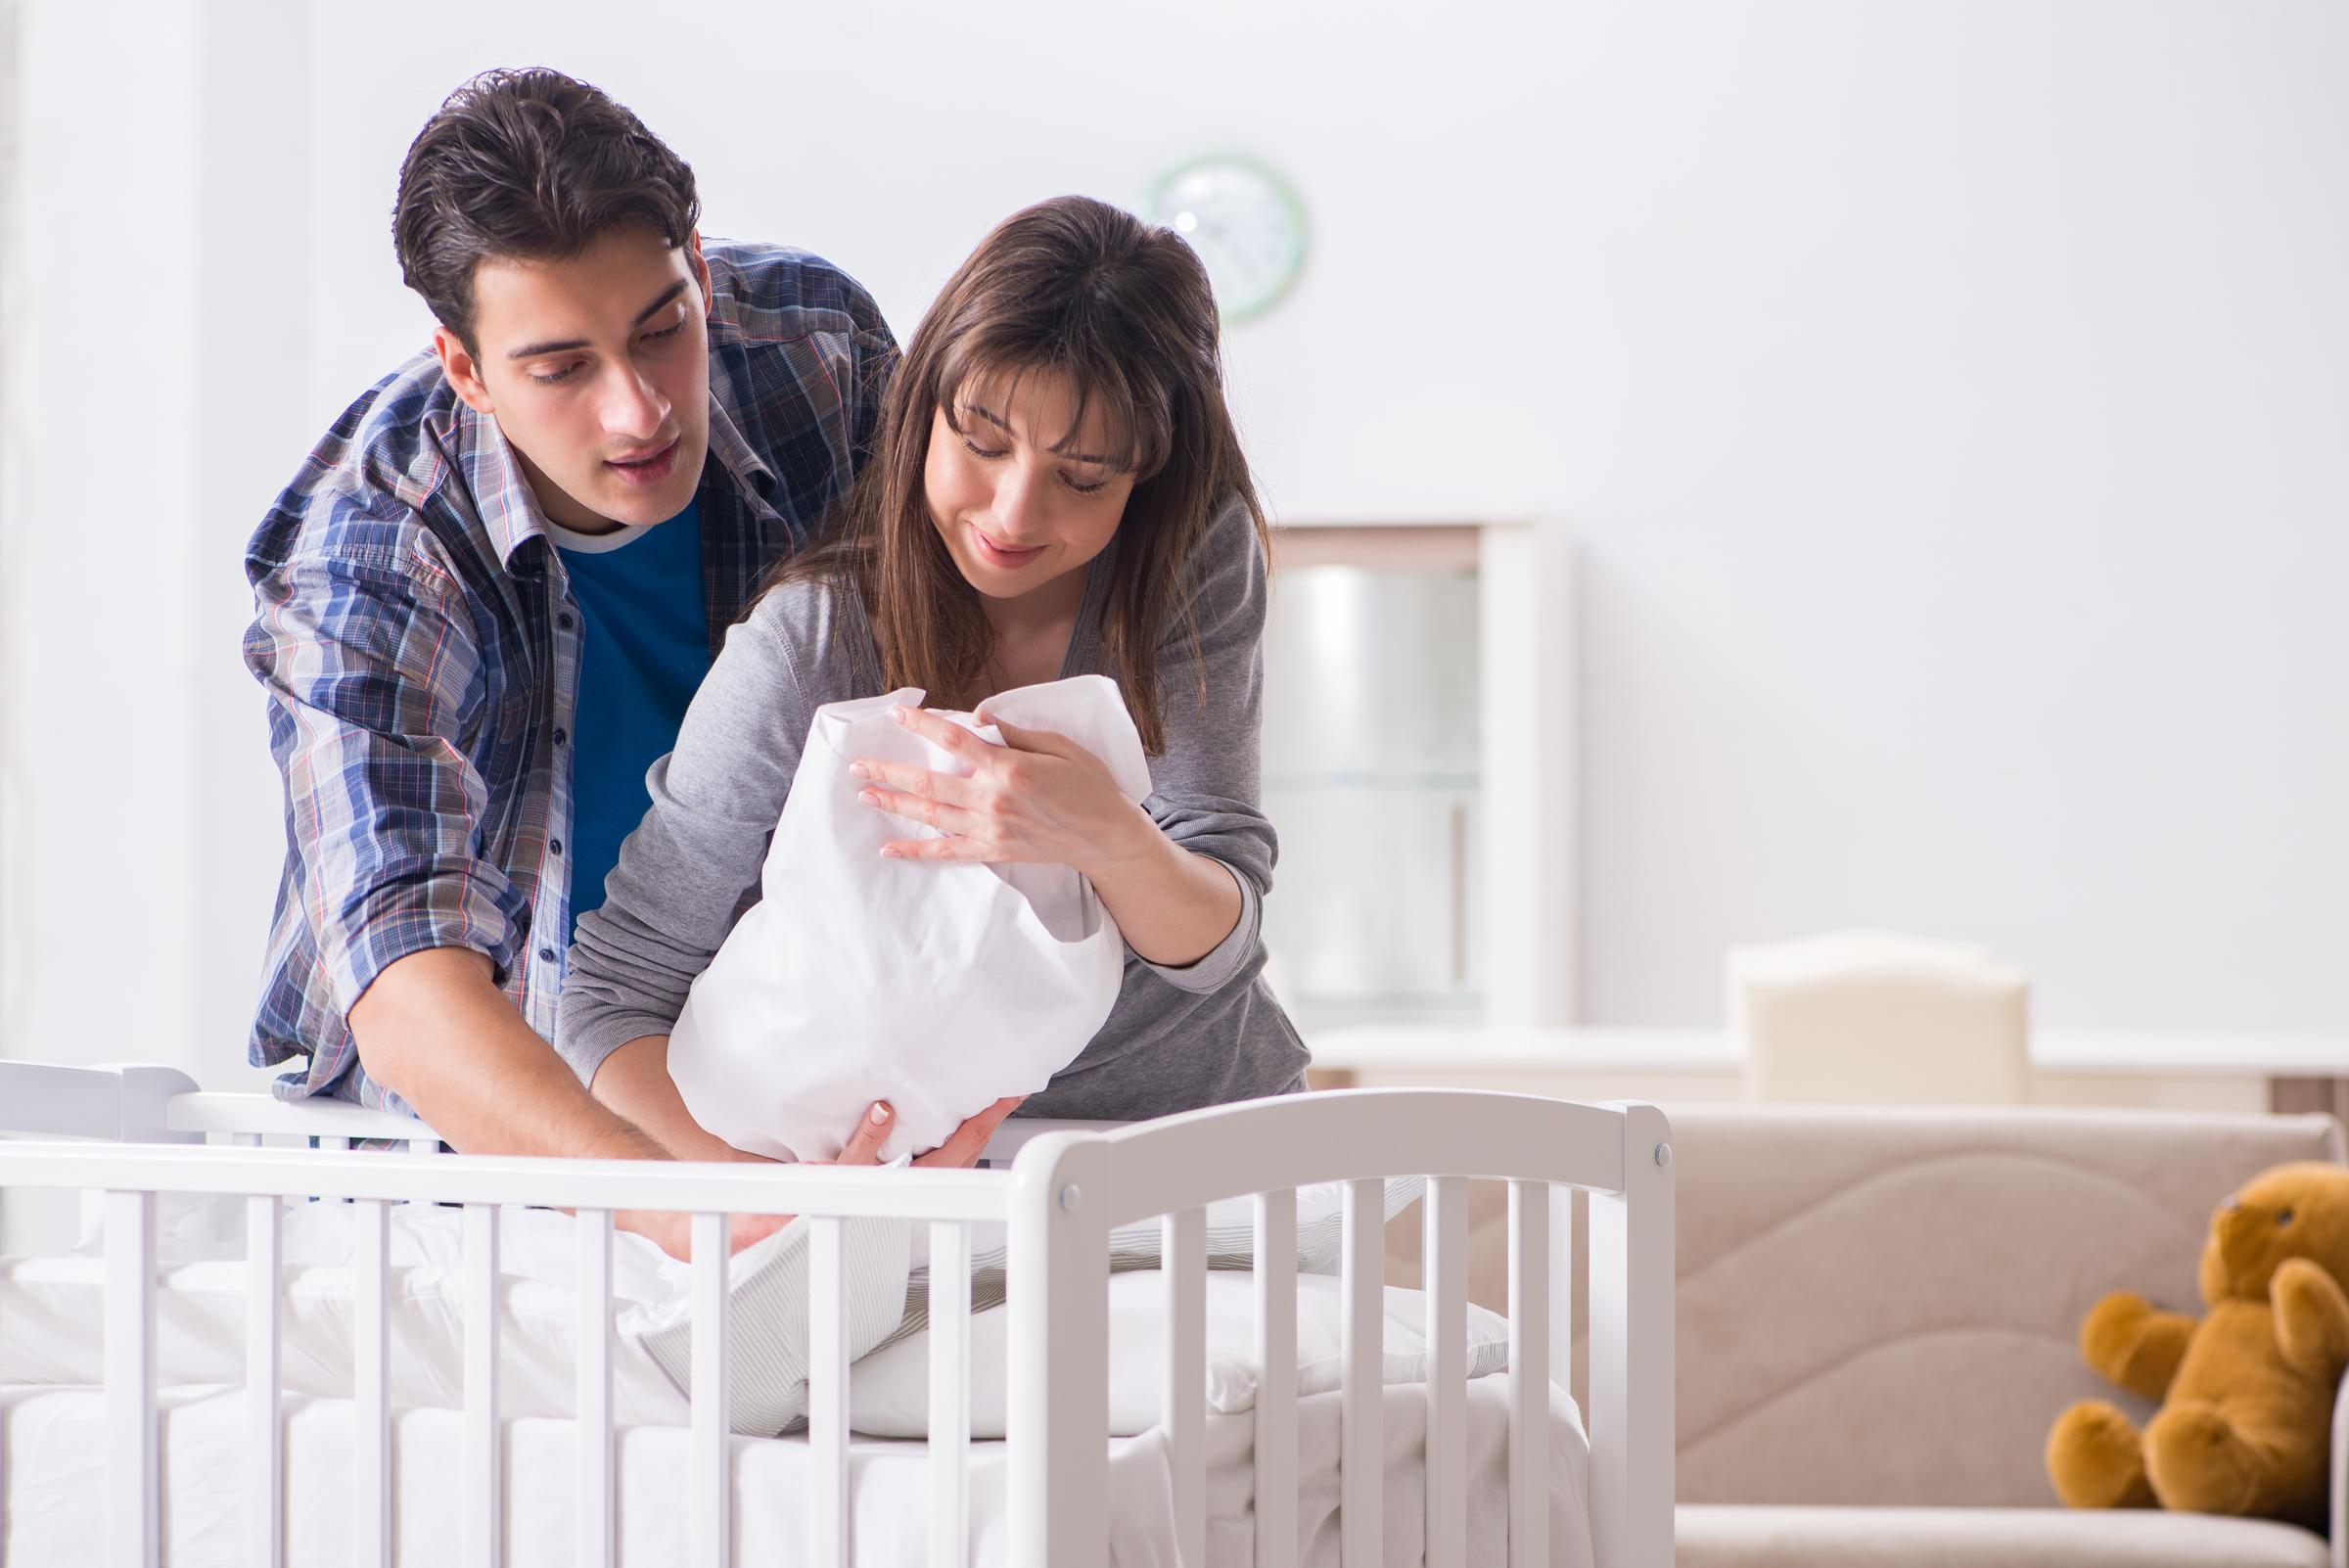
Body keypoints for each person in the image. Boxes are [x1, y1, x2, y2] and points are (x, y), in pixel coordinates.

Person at [243, 69, 997, 1257]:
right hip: (487, 1153)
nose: (639, 411)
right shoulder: (373, 549)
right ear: (465, 365)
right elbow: (406, 988)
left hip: (789, 1076)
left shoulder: (818, 354)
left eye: (663, 329)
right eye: (561, 369)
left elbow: (960, 667)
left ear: (699, 265)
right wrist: (705, 1218)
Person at [558, 195, 1311, 1151]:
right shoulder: (811, 644)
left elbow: (1218, 947)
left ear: (1147, 477)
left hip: (1197, 1142)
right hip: (903, 1191)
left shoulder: (1186, 559)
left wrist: (1104, 835)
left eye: (1082, 478)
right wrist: (758, 1209)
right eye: (982, 444)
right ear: (922, 416)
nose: (1013, 512)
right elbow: (614, 988)